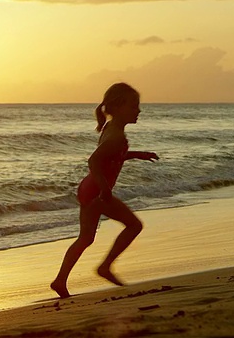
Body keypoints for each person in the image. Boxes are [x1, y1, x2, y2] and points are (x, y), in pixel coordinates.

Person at [51, 82, 159, 298]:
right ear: (118, 107)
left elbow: (112, 156)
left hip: (89, 189)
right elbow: (94, 161)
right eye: (133, 106)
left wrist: (137, 154)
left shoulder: (113, 129)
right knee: (134, 225)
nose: (138, 110)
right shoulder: (116, 135)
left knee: (86, 238)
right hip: (96, 191)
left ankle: (60, 280)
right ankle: (105, 267)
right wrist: (105, 190)